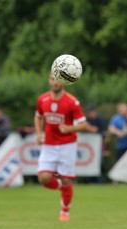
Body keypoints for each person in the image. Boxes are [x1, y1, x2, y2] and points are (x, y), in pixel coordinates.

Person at [34, 74, 87, 221]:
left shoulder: (72, 102)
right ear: (48, 80)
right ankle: (62, 188)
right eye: (51, 78)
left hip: (67, 145)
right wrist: (39, 133)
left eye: (57, 79)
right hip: (49, 145)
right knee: (43, 178)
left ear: (63, 81)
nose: (54, 82)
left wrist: (69, 128)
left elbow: (83, 124)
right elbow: (38, 116)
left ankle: (65, 211)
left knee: (66, 180)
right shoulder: (42, 99)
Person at [84, 104, 107, 184]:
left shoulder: (100, 119)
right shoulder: (86, 119)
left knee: (99, 162)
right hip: (88, 146)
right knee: (88, 162)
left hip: (98, 145)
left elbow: (101, 132)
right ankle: (88, 180)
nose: (89, 113)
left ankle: (99, 181)